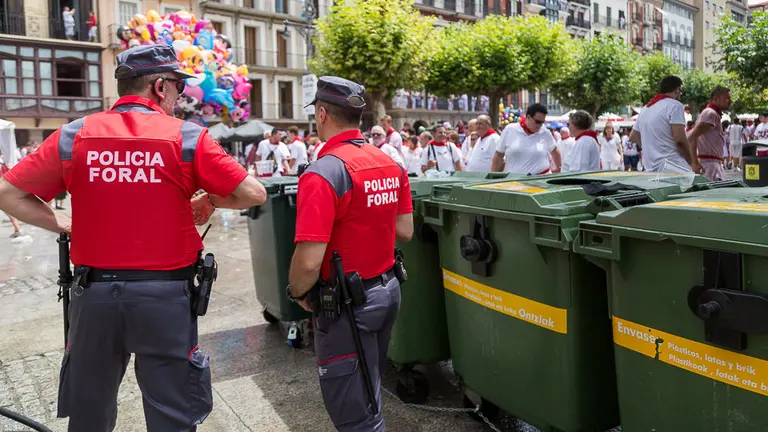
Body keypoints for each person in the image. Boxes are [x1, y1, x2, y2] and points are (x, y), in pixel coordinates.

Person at [0, 44, 267, 431]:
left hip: (92, 297)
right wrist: (209, 198)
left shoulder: (75, 134)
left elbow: (8, 193)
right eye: (178, 86)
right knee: (172, 414)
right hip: (164, 301)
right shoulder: (187, 137)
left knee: (89, 414)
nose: (180, 96)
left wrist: (62, 222)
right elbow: (253, 193)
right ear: (159, 87)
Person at [287, 76, 413, 432]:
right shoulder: (390, 163)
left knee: (355, 413)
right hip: (387, 292)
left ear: (322, 114)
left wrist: (297, 292)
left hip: (347, 307)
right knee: (369, 389)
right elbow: (405, 230)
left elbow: (309, 260)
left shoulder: (324, 172)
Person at [630, 75, 694, 173]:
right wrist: (691, 161)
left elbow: (633, 137)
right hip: (673, 167)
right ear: (677, 89)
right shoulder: (675, 105)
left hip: (650, 169)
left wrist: (652, 148)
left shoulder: (645, 109)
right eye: (681, 91)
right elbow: (680, 140)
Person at [492, 103, 561, 175]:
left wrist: (558, 168)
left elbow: (554, 150)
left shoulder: (545, 132)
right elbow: (499, 155)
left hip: (539, 180)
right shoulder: (510, 129)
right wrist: (492, 176)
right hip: (513, 181)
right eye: (537, 122)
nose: (540, 125)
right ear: (528, 117)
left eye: (542, 122)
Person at [688, 86, 732, 181]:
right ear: (716, 98)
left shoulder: (711, 113)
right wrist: (694, 162)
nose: (729, 101)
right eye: (727, 98)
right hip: (710, 165)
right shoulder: (710, 113)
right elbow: (692, 137)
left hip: (711, 164)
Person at [0, 151, 22, 237]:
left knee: (7, 210)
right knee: (7, 210)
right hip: (4, 187)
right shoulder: (2, 161)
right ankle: (17, 228)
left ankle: (17, 228)